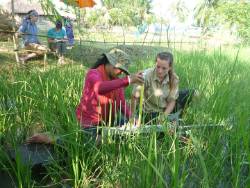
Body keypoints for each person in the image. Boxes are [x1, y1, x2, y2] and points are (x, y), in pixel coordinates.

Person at [76, 48, 144, 130]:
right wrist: (128, 80)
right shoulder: (93, 73)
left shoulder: (116, 80)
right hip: (90, 123)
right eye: (120, 69)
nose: (121, 73)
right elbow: (100, 88)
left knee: (130, 127)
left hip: (108, 122)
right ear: (111, 63)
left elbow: (121, 103)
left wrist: (132, 118)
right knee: (100, 140)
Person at [131, 51, 195, 124]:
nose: (160, 71)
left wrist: (164, 116)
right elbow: (134, 96)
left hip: (165, 109)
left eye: (164, 68)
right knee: (170, 125)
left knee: (193, 93)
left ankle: (177, 116)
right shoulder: (146, 75)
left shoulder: (174, 79)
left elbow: (172, 101)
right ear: (155, 63)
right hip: (150, 112)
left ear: (170, 67)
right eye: (158, 67)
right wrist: (133, 116)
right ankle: (172, 120)